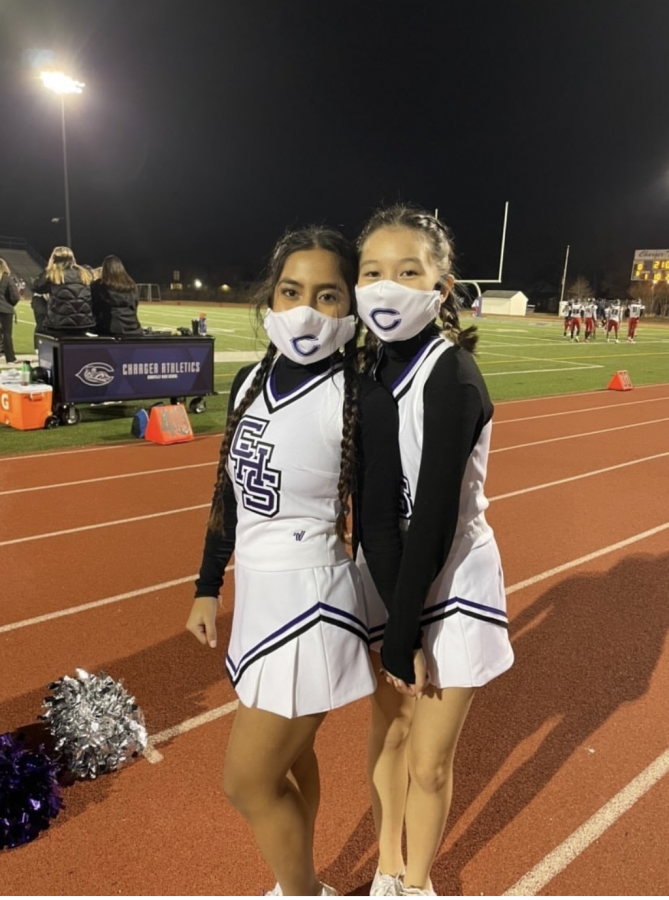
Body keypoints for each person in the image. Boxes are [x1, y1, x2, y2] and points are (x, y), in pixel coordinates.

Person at [186, 227, 403, 897]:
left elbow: (378, 527)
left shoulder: (361, 395)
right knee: (290, 763)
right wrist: (206, 585)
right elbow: (229, 488)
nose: (306, 309)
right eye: (291, 290)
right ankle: (300, 885)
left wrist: (403, 635)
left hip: (312, 604)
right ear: (271, 296)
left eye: (328, 295)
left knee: (245, 782)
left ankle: (302, 891)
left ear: (351, 307)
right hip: (256, 599)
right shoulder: (250, 378)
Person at [355, 205, 514, 897]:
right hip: (393, 578)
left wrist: (405, 635)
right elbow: (375, 513)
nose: (386, 286)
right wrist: (393, 620)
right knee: (387, 738)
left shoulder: (450, 378)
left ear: (440, 287)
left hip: (451, 581)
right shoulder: (371, 372)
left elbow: (435, 520)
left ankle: (418, 883)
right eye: (371, 272)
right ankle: (386, 867)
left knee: (427, 760)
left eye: (407, 272)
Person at [32, 246, 94, 338]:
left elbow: (36, 287)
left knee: (42, 331)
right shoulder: (84, 273)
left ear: (53, 259)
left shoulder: (54, 275)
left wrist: (48, 268)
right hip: (84, 324)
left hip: (59, 325)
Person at [91, 255, 143, 336]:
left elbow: (94, 308)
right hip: (134, 328)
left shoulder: (99, 285)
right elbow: (134, 307)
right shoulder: (131, 285)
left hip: (110, 330)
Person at [0, 258, 20, 363]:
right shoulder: (7, 279)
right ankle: (10, 357)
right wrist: (10, 304)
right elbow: (15, 297)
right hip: (5, 310)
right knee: (7, 334)